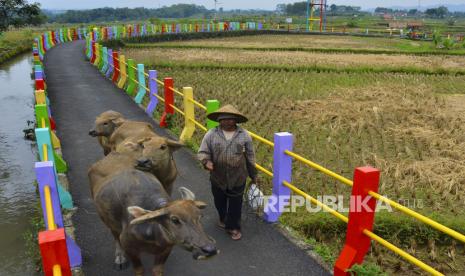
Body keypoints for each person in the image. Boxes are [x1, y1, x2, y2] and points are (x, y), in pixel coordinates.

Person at [198, 104, 257, 240]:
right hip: (218, 176)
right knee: (220, 201)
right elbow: (203, 152)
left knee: (236, 203)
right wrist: (206, 162)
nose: (227, 121)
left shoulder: (244, 136)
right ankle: (223, 218)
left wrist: (253, 175)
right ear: (219, 120)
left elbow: (250, 156)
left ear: (236, 121)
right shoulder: (211, 134)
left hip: (238, 176)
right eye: (224, 119)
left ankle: (233, 227)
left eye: (231, 119)